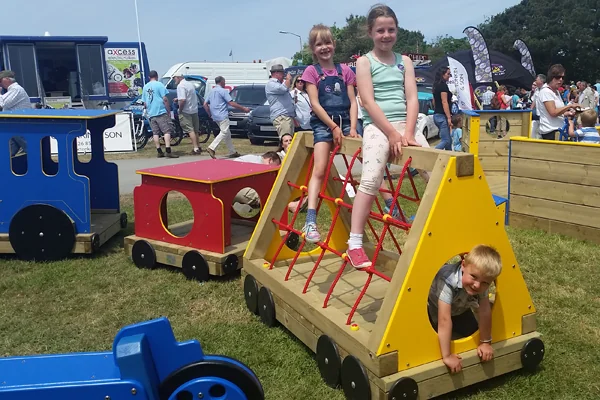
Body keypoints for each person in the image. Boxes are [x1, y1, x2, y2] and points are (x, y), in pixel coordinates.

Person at [345, 4, 427, 268]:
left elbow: (412, 97)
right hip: (377, 126)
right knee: (371, 178)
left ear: (397, 31)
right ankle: (354, 243)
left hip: (405, 124)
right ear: (370, 32)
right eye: (380, 30)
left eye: (391, 29)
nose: (386, 35)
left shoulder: (405, 62)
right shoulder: (364, 61)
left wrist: (408, 132)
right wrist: (392, 133)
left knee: (436, 168)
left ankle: (439, 222)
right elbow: (367, 102)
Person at [297, 23, 359, 243]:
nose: (324, 47)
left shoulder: (346, 71)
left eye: (327, 42)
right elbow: (314, 103)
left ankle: (386, 203)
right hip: (324, 124)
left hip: (345, 122)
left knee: (367, 159)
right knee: (320, 170)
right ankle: (310, 220)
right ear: (313, 49)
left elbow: (352, 101)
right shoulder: (312, 72)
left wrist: (351, 127)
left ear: (334, 44)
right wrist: (332, 127)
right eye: (319, 44)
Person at [428, 245, 502, 374]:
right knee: (432, 341)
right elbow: (444, 319)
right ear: (463, 265)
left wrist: (485, 342)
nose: (477, 285)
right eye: (473, 276)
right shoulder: (447, 280)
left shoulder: (481, 281)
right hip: (435, 309)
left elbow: (484, 311)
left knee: (473, 331)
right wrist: (447, 356)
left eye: (485, 283)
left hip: (460, 309)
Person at [204, 76, 250, 159]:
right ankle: (212, 147)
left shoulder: (211, 91)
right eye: (224, 82)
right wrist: (243, 109)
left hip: (215, 115)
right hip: (222, 115)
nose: (225, 84)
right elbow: (231, 103)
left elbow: (205, 104)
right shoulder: (223, 91)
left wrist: (209, 113)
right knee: (224, 132)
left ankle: (232, 151)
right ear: (221, 82)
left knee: (227, 133)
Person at [141, 70, 179, 158]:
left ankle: (159, 151)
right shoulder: (159, 85)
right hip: (160, 111)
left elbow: (145, 103)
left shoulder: (145, 87)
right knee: (166, 131)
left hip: (151, 113)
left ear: (149, 77)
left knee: (155, 133)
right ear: (157, 76)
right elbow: (165, 99)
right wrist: (168, 110)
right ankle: (168, 150)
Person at [232, 151, 281, 216]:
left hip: (231, 186)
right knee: (265, 196)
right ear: (270, 160)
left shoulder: (252, 158)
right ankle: (289, 205)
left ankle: (240, 205)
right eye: (275, 165)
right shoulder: (259, 164)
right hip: (235, 186)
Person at [538, 65, 579, 141]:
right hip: (550, 132)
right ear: (551, 77)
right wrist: (570, 106)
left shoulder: (556, 91)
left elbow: (558, 112)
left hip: (559, 129)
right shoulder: (546, 91)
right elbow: (553, 112)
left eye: (563, 77)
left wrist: (569, 113)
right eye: (558, 77)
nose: (560, 80)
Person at [0, 70, 31, 156]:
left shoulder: (16, 89)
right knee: (8, 151)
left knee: (30, 148)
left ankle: (40, 166)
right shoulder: (12, 90)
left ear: (7, 79)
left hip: (20, 124)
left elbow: (3, 103)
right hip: (14, 125)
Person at [174, 72, 203, 155]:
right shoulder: (190, 84)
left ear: (179, 77)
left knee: (190, 130)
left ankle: (195, 148)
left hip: (186, 111)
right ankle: (198, 146)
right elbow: (188, 96)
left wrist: (180, 109)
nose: (174, 80)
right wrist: (177, 99)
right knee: (195, 130)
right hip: (194, 109)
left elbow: (183, 100)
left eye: (174, 78)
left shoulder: (180, 86)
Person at [265, 65, 296, 138]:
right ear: (276, 73)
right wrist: (288, 80)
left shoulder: (279, 83)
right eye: (282, 73)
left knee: (289, 140)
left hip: (287, 116)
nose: (284, 75)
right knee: (286, 139)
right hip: (281, 117)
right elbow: (283, 89)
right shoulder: (271, 84)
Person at [432, 66, 453, 150]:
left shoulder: (435, 85)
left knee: (449, 142)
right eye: (448, 74)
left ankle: (451, 158)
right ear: (442, 74)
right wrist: (448, 117)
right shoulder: (443, 86)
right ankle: (433, 153)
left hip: (436, 115)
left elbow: (434, 101)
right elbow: (444, 102)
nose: (449, 76)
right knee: (446, 140)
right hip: (442, 116)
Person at [530, 74, 546, 139]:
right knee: (533, 129)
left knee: (541, 132)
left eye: (537, 80)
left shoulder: (546, 89)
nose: (535, 81)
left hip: (544, 114)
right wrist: (530, 110)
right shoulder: (537, 90)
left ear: (541, 81)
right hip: (537, 113)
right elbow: (534, 101)